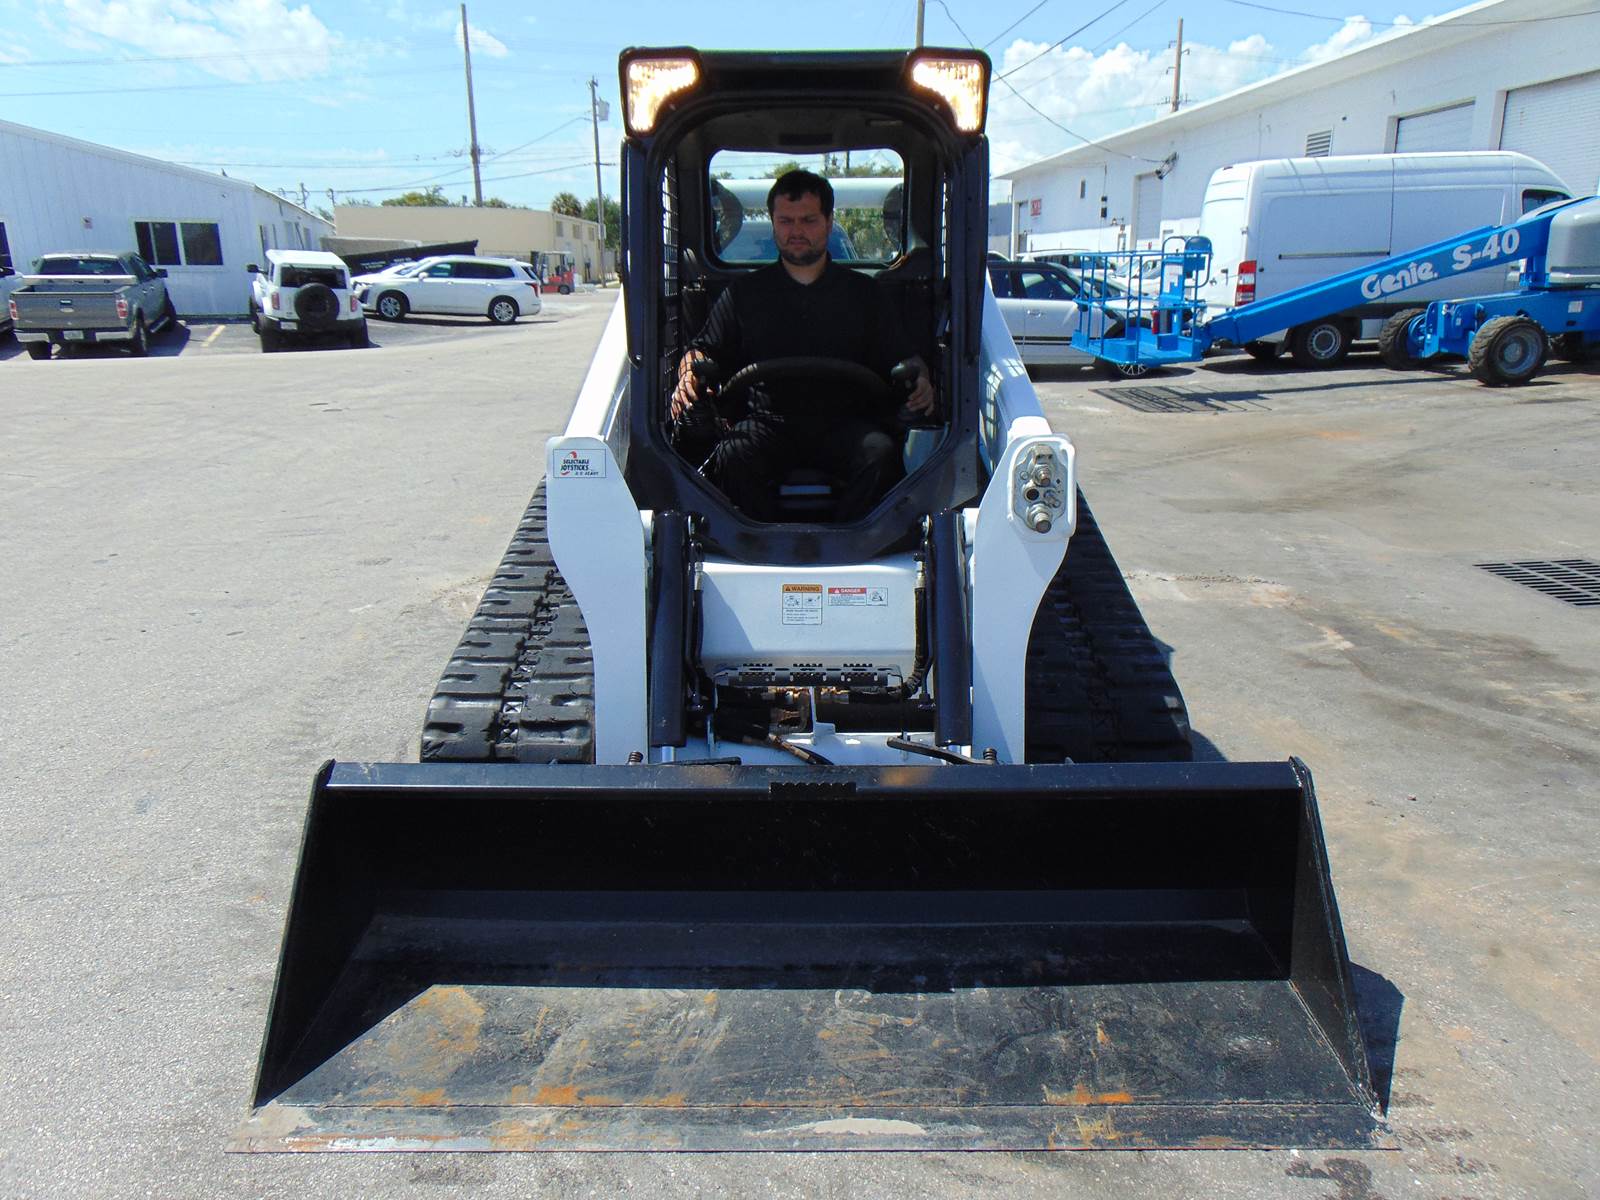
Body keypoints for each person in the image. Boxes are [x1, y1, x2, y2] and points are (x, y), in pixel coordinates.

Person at [671, 169, 935, 522]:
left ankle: (849, 542)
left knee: (881, 454)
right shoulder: (744, 295)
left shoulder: (865, 294)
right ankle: (761, 541)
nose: (796, 231)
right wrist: (688, 373)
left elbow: (904, 357)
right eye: (786, 221)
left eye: (808, 220)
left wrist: (922, 379)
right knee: (732, 456)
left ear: (828, 222)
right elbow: (703, 349)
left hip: (846, 423)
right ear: (773, 223)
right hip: (766, 422)